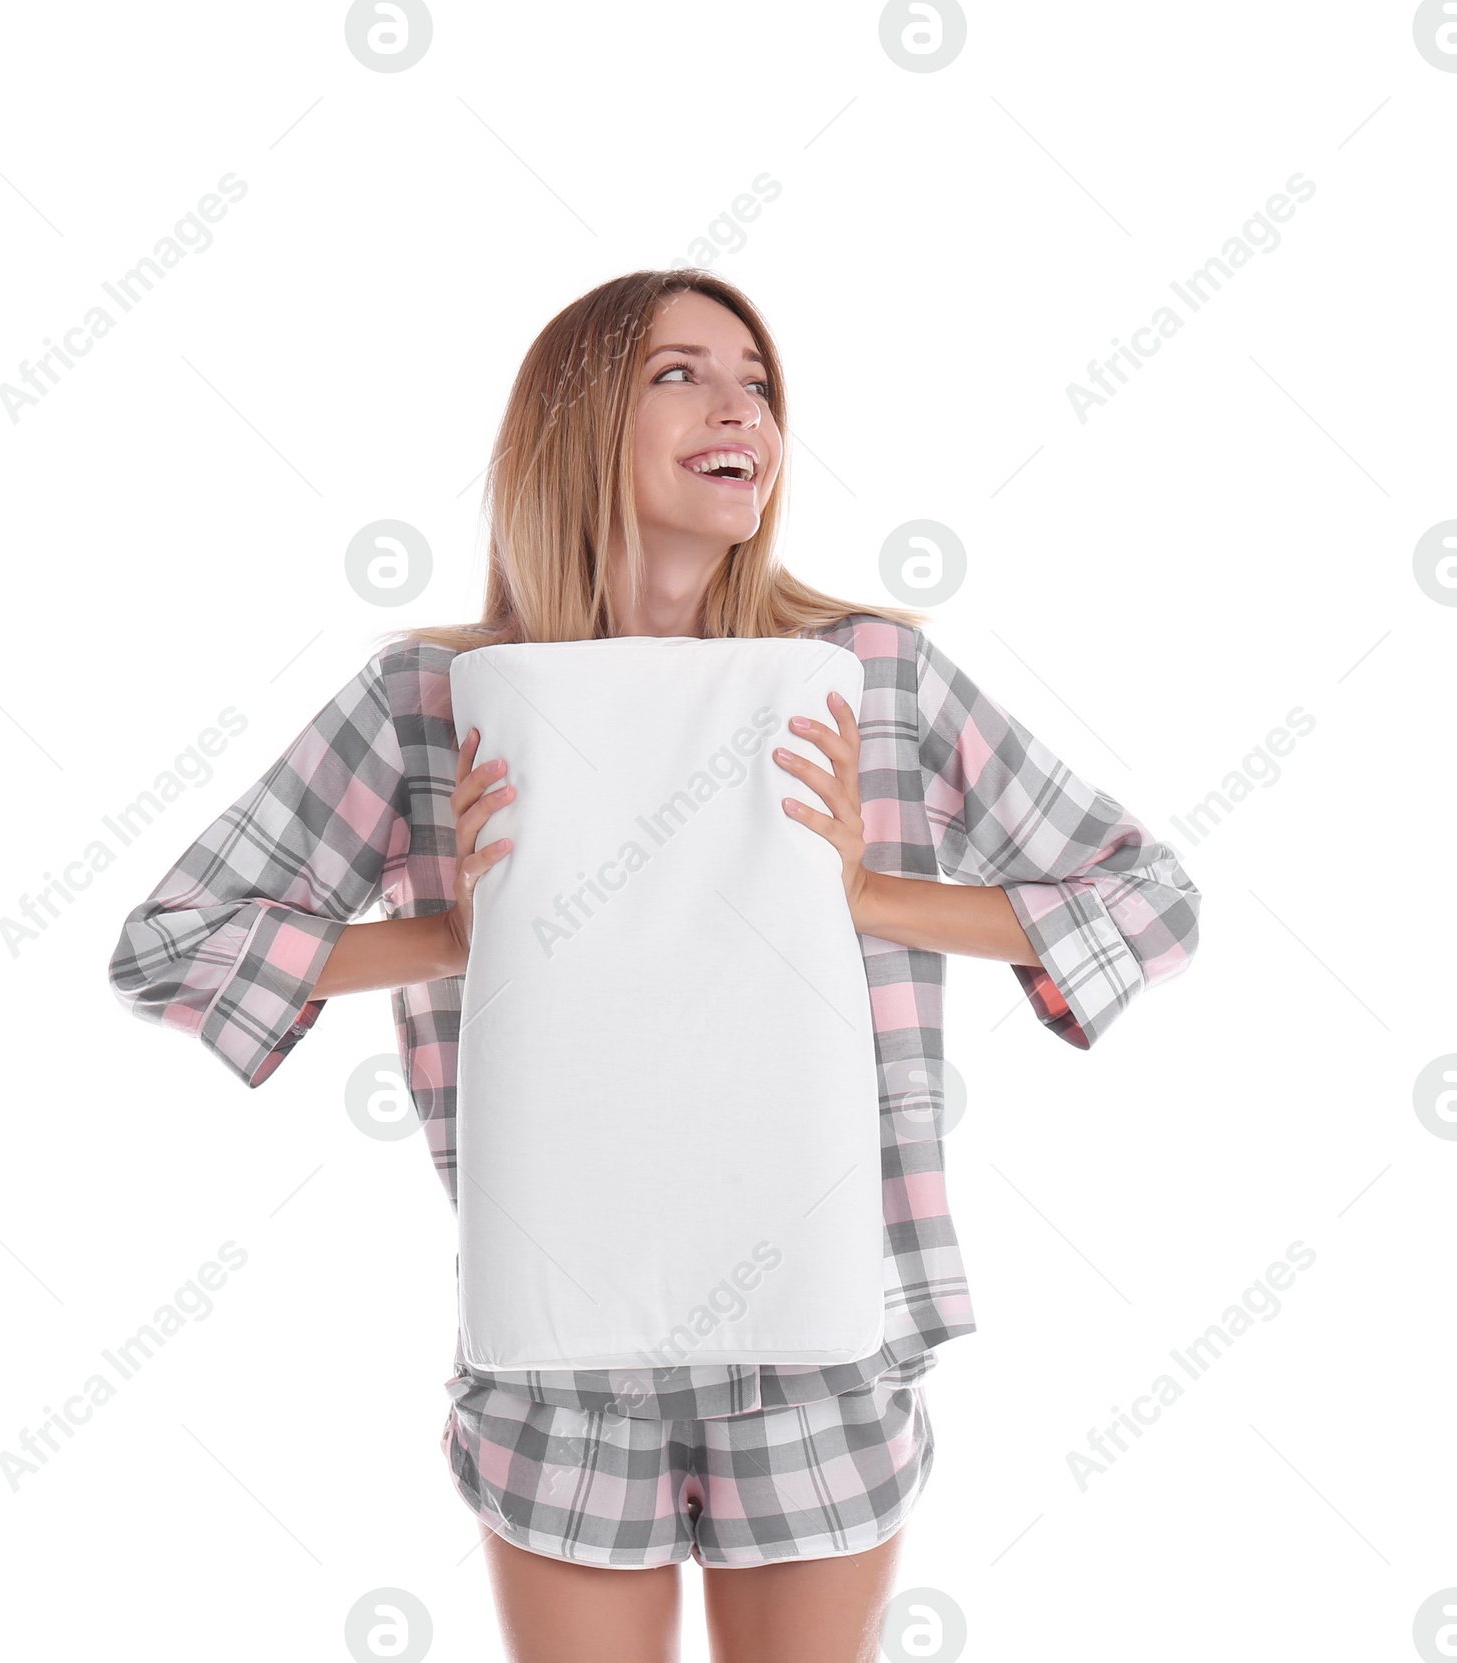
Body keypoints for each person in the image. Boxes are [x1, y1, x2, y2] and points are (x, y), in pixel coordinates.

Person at [108, 269, 1201, 1663]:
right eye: (680, 371)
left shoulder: (873, 676)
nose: (741, 401)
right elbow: (171, 948)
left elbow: (1150, 902)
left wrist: (873, 894)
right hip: (560, 1358)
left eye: (758, 380)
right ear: (574, 422)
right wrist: (450, 933)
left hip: (825, 1348)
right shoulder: (429, 701)